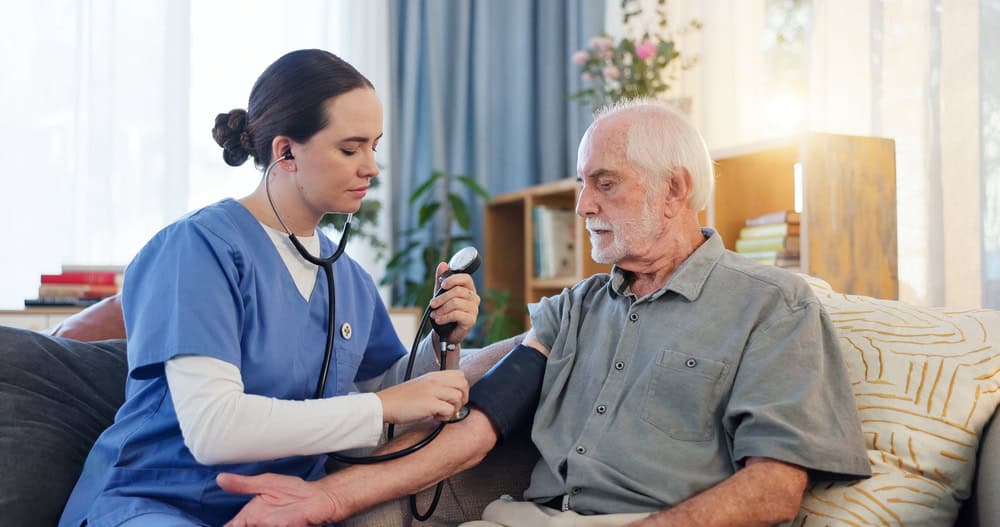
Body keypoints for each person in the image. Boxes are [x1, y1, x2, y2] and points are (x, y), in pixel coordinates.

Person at [216, 99, 872, 527]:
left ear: (676, 190)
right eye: (582, 182)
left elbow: (775, 487)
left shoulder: (772, 304)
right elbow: (479, 427)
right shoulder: (574, 308)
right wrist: (330, 497)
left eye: (603, 182)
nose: (582, 206)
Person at [58, 49, 482, 527]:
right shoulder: (197, 249)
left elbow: (388, 389)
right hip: (154, 504)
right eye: (350, 148)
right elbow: (213, 429)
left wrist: (444, 337)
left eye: (374, 147)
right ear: (285, 153)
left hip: (279, 511)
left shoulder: (348, 278)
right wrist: (384, 404)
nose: (371, 169)